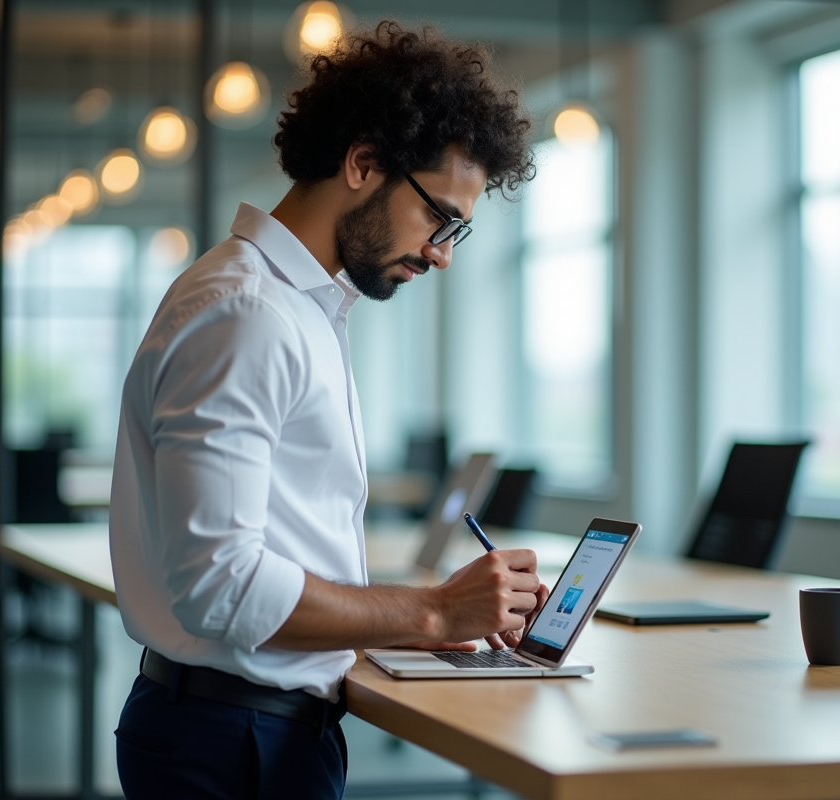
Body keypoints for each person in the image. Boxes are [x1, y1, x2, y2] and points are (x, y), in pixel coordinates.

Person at [108, 21, 543, 799]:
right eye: (439, 218)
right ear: (363, 163)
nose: (443, 252)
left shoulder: (298, 307)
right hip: (232, 741)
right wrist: (434, 612)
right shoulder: (248, 314)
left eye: (459, 232)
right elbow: (223, 586)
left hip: (249, 730)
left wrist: (436, 614)